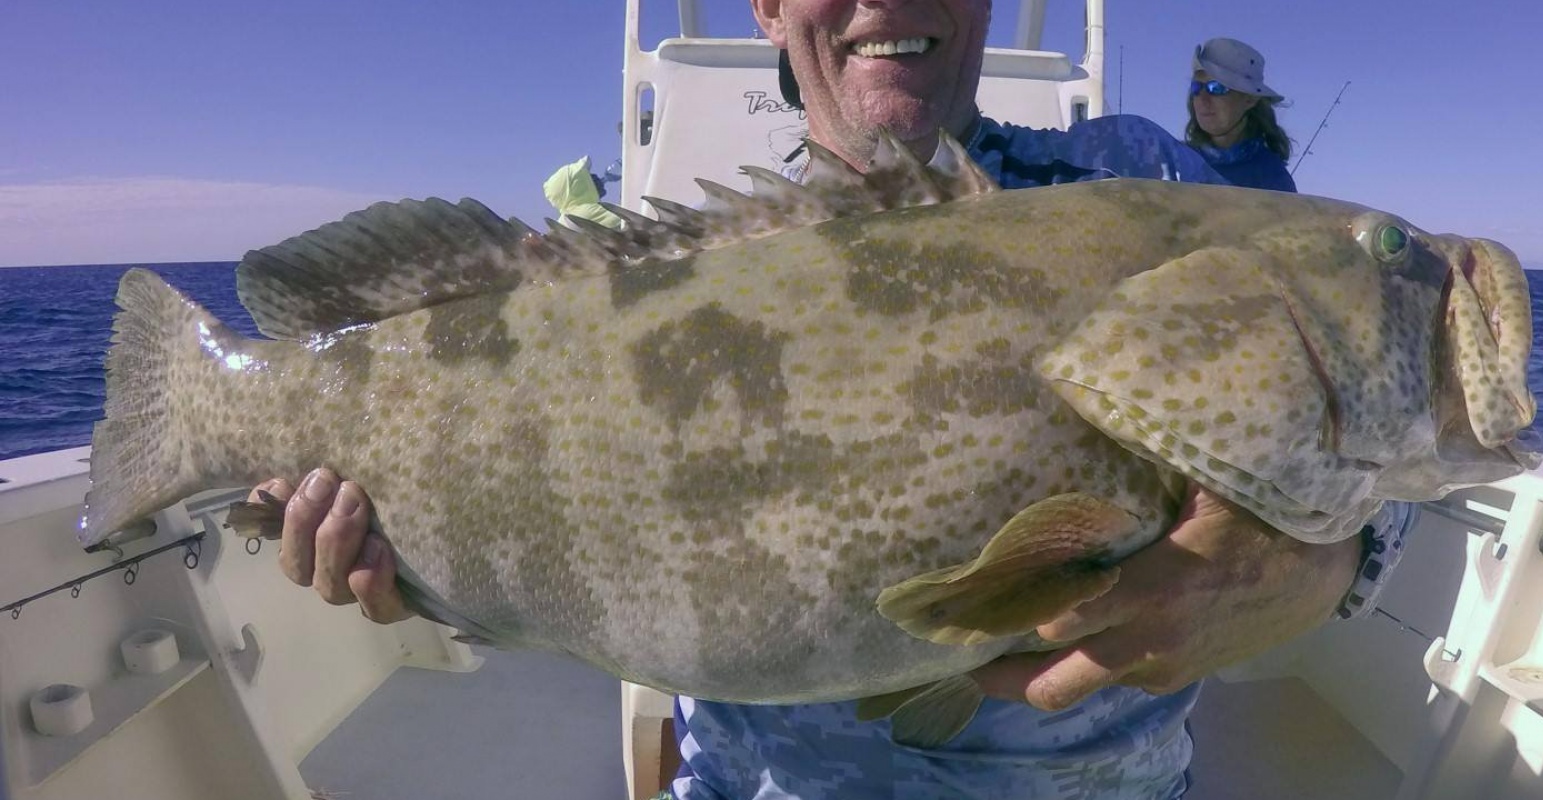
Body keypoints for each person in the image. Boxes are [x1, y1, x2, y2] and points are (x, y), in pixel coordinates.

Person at [255, 2, 1413, 797]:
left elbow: (1366, 391)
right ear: (766, 3)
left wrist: (1323, 564)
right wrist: (415, 559)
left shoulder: (1146, 202)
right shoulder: (621, 273)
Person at [1184, 37, 1297, 193]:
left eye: (1216, 88)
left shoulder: (1273, 178)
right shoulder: (1173, 160)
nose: (1202, 100)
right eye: (1196, 87)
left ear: (1250, 99)